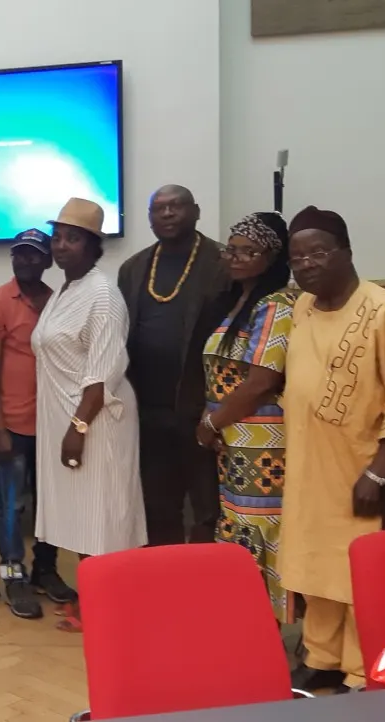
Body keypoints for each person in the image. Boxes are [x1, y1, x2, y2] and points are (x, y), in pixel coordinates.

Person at [279, 206, 385, 691]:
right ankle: (323, 657)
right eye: (296, 256)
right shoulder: (302, 308)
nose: (306, 263)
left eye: (318, 252)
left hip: (372, 467)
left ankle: (361, 667)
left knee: (361, 567)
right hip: (317, 464)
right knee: (318, 562)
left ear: (346, 254)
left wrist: (378, 471)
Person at [34, 199, 147, 632]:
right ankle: (97, 599)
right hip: (67, 420)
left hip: (95, 423)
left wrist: (78, 429)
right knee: (86, 520)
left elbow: (101, 376)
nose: (61, 245)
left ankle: (114, 609)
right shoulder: (66, 289)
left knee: (103, 518)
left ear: (93, 244)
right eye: (58, 236)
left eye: (73, 238)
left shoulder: (103, 295)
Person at [195, 212, 296, 623]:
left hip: (263, 442)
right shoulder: (235, 300)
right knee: (237, 524)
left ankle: (268, 629)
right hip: (234, 438)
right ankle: (247, 623)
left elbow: (260, 382)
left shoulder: (278, 304)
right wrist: (214, 419)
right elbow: (221, 374)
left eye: (247, 251)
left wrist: (209, 424)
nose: (235, 259)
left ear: (272, 257)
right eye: (230, 250)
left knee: (260, 527)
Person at [117, 184, 229, 545]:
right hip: (147, 410)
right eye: (158, 208)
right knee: (157, 503)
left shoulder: (222, 263)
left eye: (175, 206)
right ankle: (164, 578)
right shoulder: (133, 268)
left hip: (201, 409)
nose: (166, 214)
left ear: (195, 211)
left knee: (206, 505)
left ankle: (204, 583)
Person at [0, 228, 76, 620]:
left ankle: (44, 570)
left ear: (48, 260)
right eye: (19, 255)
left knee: (49, 504)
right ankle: (13, 573)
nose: (25, 261)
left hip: (51, 424)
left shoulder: (58, 302)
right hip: (12, 426)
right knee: (11, 504)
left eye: (34, 255)